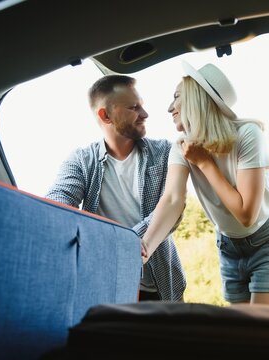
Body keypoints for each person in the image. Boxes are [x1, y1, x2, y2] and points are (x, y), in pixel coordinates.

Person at [141, 61, 269, 307]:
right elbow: (172, 200)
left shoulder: (248, 135)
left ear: (196, 99)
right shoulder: (180, 147)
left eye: (176, 97)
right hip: (228, 247)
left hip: (266, 244)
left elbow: (247, 214)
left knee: (263, 336)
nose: (169, 107)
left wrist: (205, 163)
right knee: (240, 338)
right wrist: (145, 248)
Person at [46, 74, 186, 301]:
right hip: (104, 284)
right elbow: (58, 202)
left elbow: (171, 211)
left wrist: (122, 242)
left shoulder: (164, 153)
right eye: (134, 107)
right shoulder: (82, 161)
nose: (145, 114)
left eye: (142, 105)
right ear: (106, 115)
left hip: (159, 285)